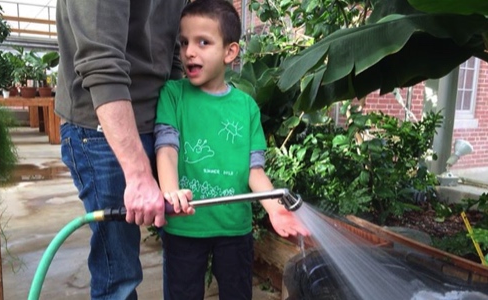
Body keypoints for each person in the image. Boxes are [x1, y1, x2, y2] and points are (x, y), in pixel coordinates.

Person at [154, 0, 309, 299]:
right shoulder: (173, 95)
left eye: (203, 42)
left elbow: (254, 171)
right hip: (184, 228)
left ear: (229, 52)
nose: (189, 52)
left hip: (234, 231)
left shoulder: (245, 107)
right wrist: (170, 192)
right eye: (184, 42)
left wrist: (275, 209)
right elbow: (167, 149)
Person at [54, 1, 187, 299]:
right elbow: (100, 61)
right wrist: (139, 175)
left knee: (186, 251)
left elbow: (174, 51)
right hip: (103, 127)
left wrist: (177, 117)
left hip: (161, 119)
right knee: (120, 275)